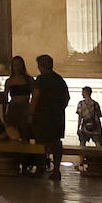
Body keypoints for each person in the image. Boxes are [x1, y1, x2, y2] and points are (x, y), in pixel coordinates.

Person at [30, 53, 71, 181]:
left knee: (40, 142)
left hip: (42, 116)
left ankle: (40, 167)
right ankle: (56, 169)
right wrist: (59, 108)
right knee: (55, 143)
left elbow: (35, 97)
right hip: (57, 116)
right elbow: (67, 98)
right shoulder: (59, 79)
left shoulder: (41, 80)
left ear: (40, 66)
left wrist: (30, 113)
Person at [3, 55, 38, 174]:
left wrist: (31, 112)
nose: (17, 67)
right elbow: (5, 98)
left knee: (25, 136)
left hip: (24, 109)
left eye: (19, 64)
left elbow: (35, 95)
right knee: (13, 136)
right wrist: (4, 113)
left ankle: (25, 164)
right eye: (15, 65)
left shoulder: (29, 80)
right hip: (13, 109)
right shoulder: (9, 81)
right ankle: (14, 163)